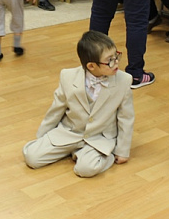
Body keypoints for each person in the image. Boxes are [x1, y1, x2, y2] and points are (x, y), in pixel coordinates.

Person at [23, 30, 135, 178]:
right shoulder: (68, 76)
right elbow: (56, 109)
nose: (116, 62)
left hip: (99, 137)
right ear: (91, 66)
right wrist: (43, 136)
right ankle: (74, 150)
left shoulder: (124, 80)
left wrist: (122, 151)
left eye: (116, 56)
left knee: (85, 170)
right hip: (70, 132)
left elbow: (126, 118)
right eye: (110, 60)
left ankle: (97, 154)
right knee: (32, 157)